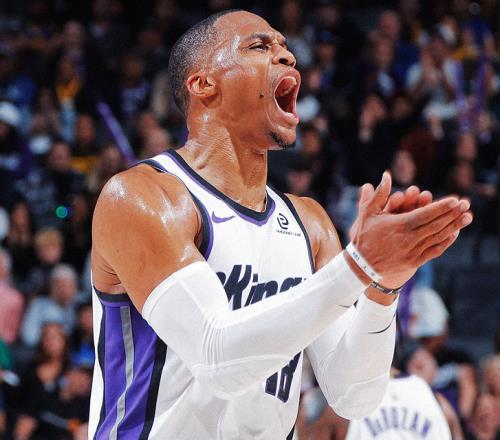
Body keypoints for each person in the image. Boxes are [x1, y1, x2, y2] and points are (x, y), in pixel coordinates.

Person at [89, 10, 472, 439]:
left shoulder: (310, 224)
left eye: (286, 48)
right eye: (260, 46)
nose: (287, 57)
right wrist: (359, 268)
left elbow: (354, 397)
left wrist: (383, 288)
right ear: (203, 84)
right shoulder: (143, 196)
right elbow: (216, 358)